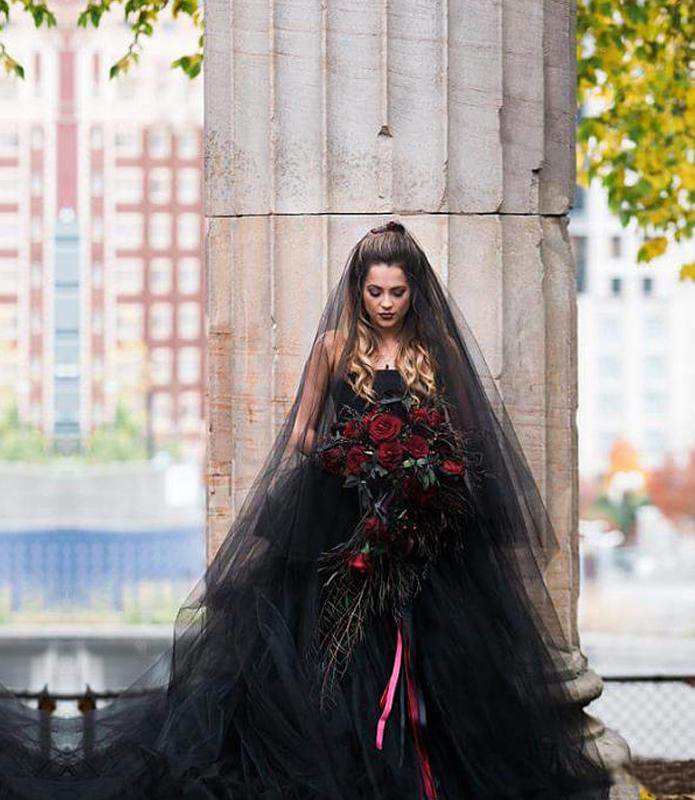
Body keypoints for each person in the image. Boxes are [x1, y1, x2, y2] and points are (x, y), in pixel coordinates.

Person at [0, 221, 614, 799]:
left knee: (441, 664)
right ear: (358, 289)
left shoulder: (439, 349)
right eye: (375, 291)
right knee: (339, 663)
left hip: (425, 530)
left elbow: (465, 431)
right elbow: (301, 433)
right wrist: (350, 454)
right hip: (343, 521)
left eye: (397, 292)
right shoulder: (333, 346)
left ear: (413, 290)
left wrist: (420, 469)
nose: (386, 303)